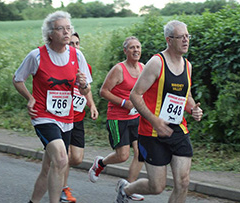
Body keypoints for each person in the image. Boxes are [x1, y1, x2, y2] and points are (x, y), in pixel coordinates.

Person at [115, 20, 204, 203]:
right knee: (157, 187)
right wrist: (154, 120)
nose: (186, 40)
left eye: (188, 36)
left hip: (178, 129)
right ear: (169, 40)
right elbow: (135, 95)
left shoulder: (187, 65)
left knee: (183, 182)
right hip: (152, 132)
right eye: (181, 37)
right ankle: (126, 189)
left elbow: (185, 96)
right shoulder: (156, 63)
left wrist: (193, 109)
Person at [12, 11, 92, 203]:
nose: (66, 32)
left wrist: (83, 85)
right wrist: (30, 98)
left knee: (49, 167)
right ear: (50, 34)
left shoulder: (77, 55)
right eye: (61, 29)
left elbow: (86, 89)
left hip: (66, 118)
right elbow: (18, 79)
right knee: (62, 159)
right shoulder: (36, 56)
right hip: (43, 115)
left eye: (68, 28)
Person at [88, 36, 145, 201]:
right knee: (123, 156)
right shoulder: (119, 69)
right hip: (118, 118)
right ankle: (100, 164)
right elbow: (103, 91)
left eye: (138, 47)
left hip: (137, 116)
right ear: (125, 51)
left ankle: (129, 187)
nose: (136, 50)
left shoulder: (143, 67)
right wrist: (123, 103)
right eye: (132, 47)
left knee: (141, 153)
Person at [60, 32, 99, 203]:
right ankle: (63, 188)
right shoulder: (60, 65)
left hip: (77, 117)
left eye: (77, 44)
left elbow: (86, 89)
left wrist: (92, 105)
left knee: (76, 158)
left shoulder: (84, 65)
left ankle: (56, 168)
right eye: (71, 44)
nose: (74, 47)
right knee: (63, 155)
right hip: (60, 118)